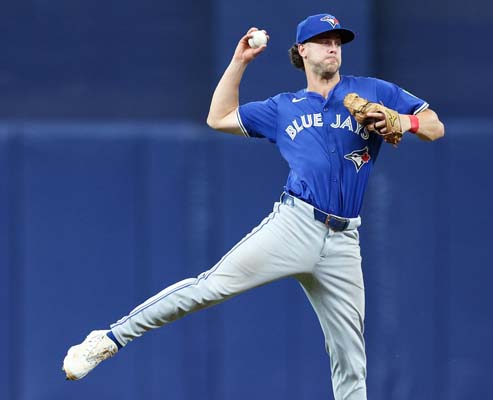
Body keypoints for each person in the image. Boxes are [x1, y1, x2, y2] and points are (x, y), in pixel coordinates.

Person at [62, 13, 444, 400]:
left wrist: (405, 121)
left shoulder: (372, 90)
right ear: (301, 51)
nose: (333, 47)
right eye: (323, 40)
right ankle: (108, 338)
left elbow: (435, 125)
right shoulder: (284, 107)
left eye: (338, 41)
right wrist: (239, 63)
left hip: (344, 241)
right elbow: (218, 118)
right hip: (296, 224)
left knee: (350, 360)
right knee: (208, 288)